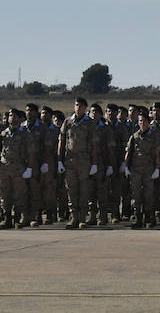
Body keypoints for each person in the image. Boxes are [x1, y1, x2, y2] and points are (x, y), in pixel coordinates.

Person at [58, 97, 99, 229]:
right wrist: (59, 160)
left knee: (83, 190)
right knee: (71, 190)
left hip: (84, 161)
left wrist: (94, 163)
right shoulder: (68, 121)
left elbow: (93, 145)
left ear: (85, 107)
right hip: (70, 160)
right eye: (76, 105)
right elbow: (62, 141)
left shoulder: (90, 123)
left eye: (81, 106)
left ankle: (82, 218)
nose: (78, 108)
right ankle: (73, 217)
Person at [123, 110, 160, 228]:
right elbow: (128, 153)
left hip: (149, 170)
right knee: (136, 195)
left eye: (144, 121)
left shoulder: (154, 136)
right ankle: (138, 218)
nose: (142, 123)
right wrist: (126, 167)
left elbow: (157, 154)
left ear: (148, 122)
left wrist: (157, 168)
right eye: (140, 121)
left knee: (148, 195)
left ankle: (149, 218)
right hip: (136, 170)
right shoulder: (134, 137)